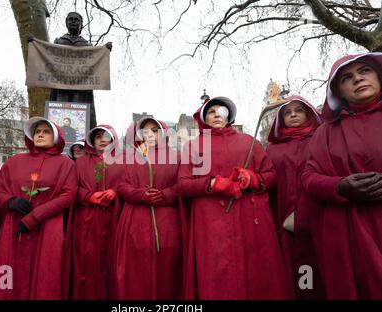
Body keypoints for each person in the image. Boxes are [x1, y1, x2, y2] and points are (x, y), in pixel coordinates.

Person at [178, 96, 293, 299]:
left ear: (228, 116)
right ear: (204, 117)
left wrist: (253, 179)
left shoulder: (249, 143)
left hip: (250, 219)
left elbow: (271, 175)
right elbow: (183, 184)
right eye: (211, 111)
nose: (216, 114)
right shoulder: (193, 147)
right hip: (211, 224)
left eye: (221, 110)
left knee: (256, 272)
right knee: (218, 275)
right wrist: (212, 183)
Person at [302, 52, 382, 299]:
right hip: (350, 235)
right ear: (338, 91)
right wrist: (340, 186)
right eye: (347, 77)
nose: (358, 79)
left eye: (364, 71)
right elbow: (309, 178)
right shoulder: (325, 133)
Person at [0, 117, 77, 299]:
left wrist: (36, 215)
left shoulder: (66, 164)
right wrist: (10, 201)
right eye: (37, 131)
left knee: (46, 272)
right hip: (15, 224)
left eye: (46, 131)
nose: (40, 134)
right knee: (10, 270)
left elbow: (68, 195)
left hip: (48, 226)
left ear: (57, 136)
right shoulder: (14, 161)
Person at [115, 117, 184, 299]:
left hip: (166, 221)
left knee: (167, 266)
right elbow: (122, 185)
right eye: (145, 131)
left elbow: (182, 185)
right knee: (137, 267)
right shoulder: (131, 158)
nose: (150, 134)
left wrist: (164, 195)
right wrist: (140, 195)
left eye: (154, 130)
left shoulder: (176, 157)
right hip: (135, 221)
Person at [266, 95, 323, 298]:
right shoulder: (272, 148)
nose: (293, 115)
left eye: (298, 110)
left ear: (307, 113)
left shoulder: (321, 139)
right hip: (282, 211)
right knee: (290, 263)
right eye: (288, 113)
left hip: (317, 213)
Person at [68, 125, 123, 299]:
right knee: (87, 262)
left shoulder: (123, 161)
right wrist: (89, 196)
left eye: (106, 136)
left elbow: (129, 183)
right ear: (92, 141)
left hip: (114, 218)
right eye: (98, 136)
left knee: (113, 261)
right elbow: (71, 189)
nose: (103, 139)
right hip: (87, 220)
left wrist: (116, 191)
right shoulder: (81, 162)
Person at [49, 12, 112, 130]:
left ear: (81, 24)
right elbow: (47, 57)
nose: (73, 21)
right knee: (61, 110)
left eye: (76, 20)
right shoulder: (58, 41)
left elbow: (95, 62)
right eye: (70, 19)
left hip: (80, 88)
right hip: (61, 86)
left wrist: (105, 50)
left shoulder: (87, 45)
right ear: (66, 23)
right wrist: (33, 43)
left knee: (79, 111)